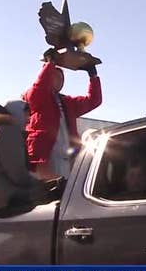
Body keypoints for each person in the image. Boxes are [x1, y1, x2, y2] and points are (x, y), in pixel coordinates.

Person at [23, 50, 102, 180]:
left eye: (62, 78)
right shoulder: (37, 96)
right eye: (55, 76)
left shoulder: (68, 102)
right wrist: (50, 64)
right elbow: (40, 87)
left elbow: (94, 100)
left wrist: (93, 76)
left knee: (64, 194)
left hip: (67, 158)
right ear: (48, 76)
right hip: (45, 158)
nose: (59, 80)